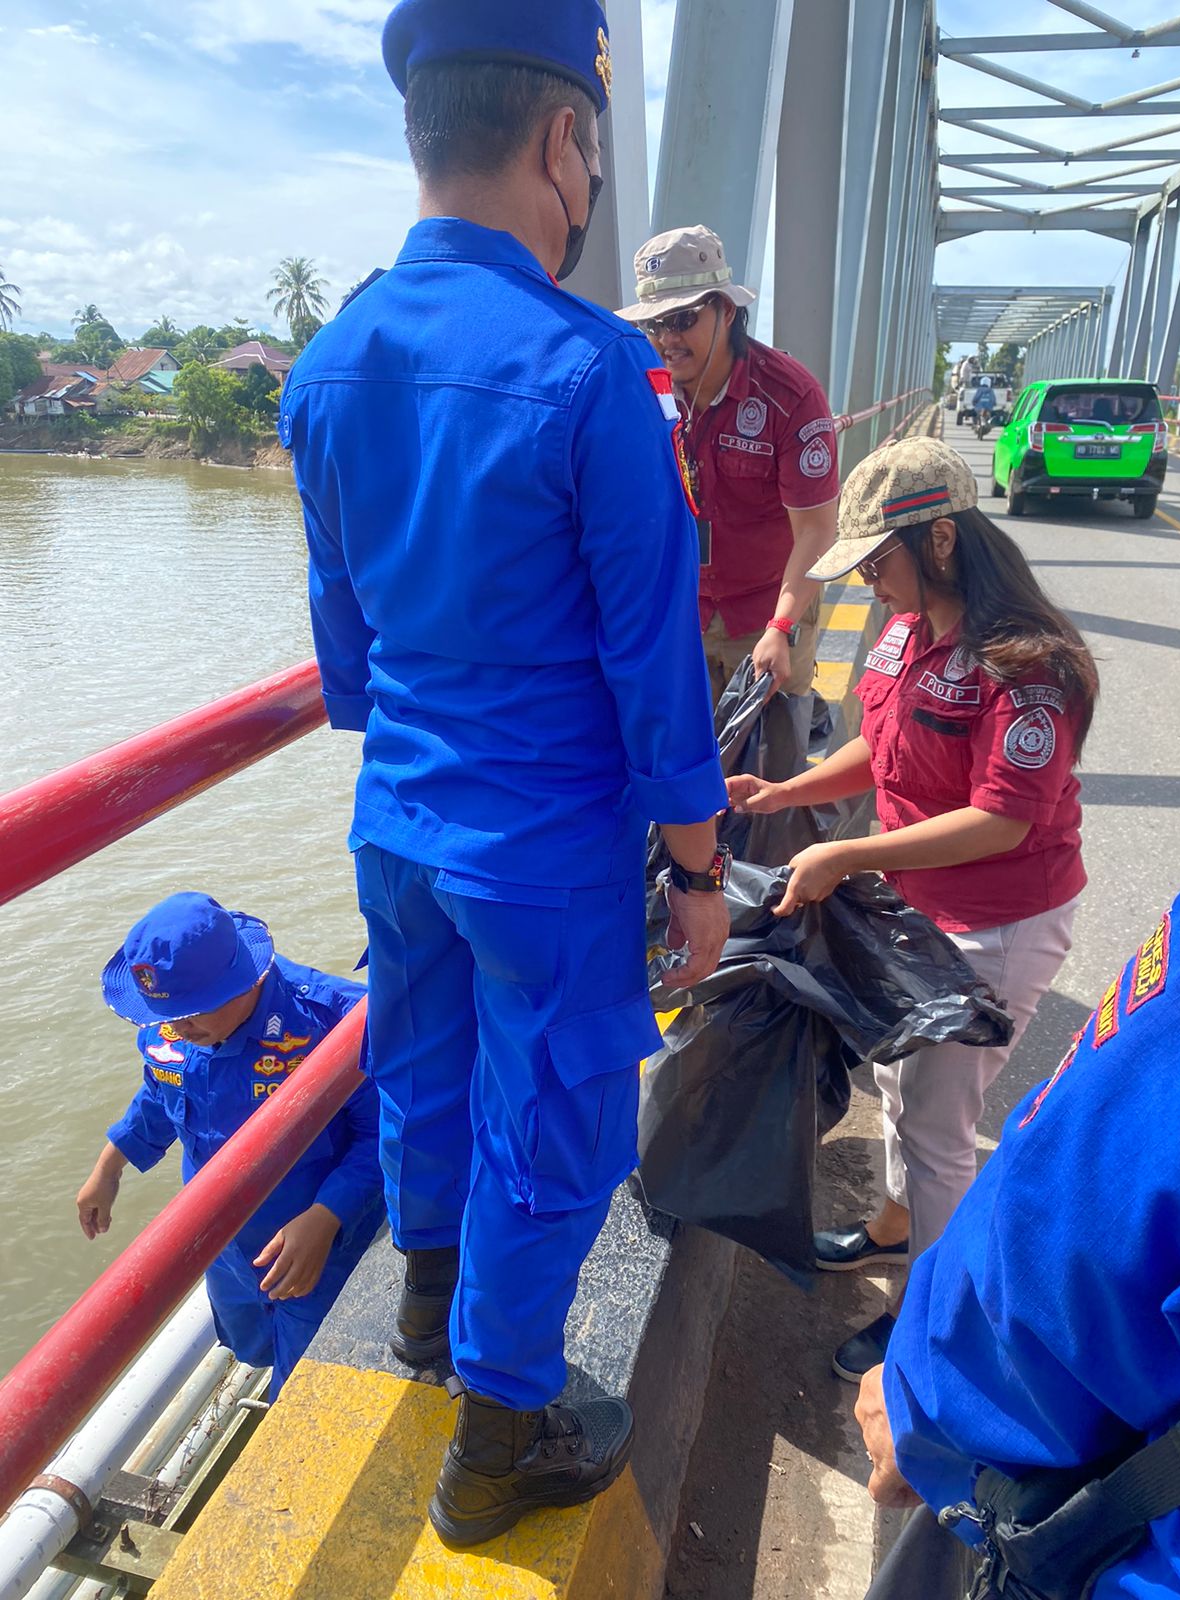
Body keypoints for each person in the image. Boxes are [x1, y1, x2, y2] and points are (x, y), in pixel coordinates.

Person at [279, 0, 730, 1550]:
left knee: (421, 1065)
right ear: (563, 141)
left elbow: (344, 640)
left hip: (396, 817)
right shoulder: (591, 370)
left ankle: (420, 1302)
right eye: (591, 162)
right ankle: (503, 1431)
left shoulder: (329, 361)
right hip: (541, 845)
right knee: (558, 1114)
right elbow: (654, 669)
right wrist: (695, 873)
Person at [726, 437, 1097, 1381]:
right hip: (918, 908)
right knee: (902, 1081)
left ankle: (929, 1323)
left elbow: (1002, 822)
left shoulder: (1027, 668)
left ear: (938, 542)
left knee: (939, 1121)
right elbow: (882, 748)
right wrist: (789, 792)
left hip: (996, 922)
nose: (867, 585)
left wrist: (845, 850)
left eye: (875, 563)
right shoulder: (903, 630)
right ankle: (896, 1225)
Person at [856, 877, 1180, 1600]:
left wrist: (923, 1402)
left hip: (1108, 1541)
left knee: (934, 1127)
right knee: (913, 1105)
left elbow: (1072, 1219)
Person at [78, 893, 384, 1401]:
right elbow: (161, 1091)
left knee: (311, 1372)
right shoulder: (175, 1030)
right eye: (162, 1014)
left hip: (317, 1245)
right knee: (253, 1341)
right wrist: (111, 1163)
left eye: (191, 1013)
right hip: (223, 1244)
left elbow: (382, 1134)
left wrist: (327, 1216)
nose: (176, 1027)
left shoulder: (332, 1025)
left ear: (243, 981)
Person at [616, 225, 839, 710]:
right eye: (652, 326)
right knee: (686, 770)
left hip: (768, 611)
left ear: (726, 310)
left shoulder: (790, 398)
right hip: (679, 615)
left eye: (681, 319)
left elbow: (819, 531)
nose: (665, 339)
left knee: (769, 773)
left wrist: (781, 627)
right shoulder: (639, 390)